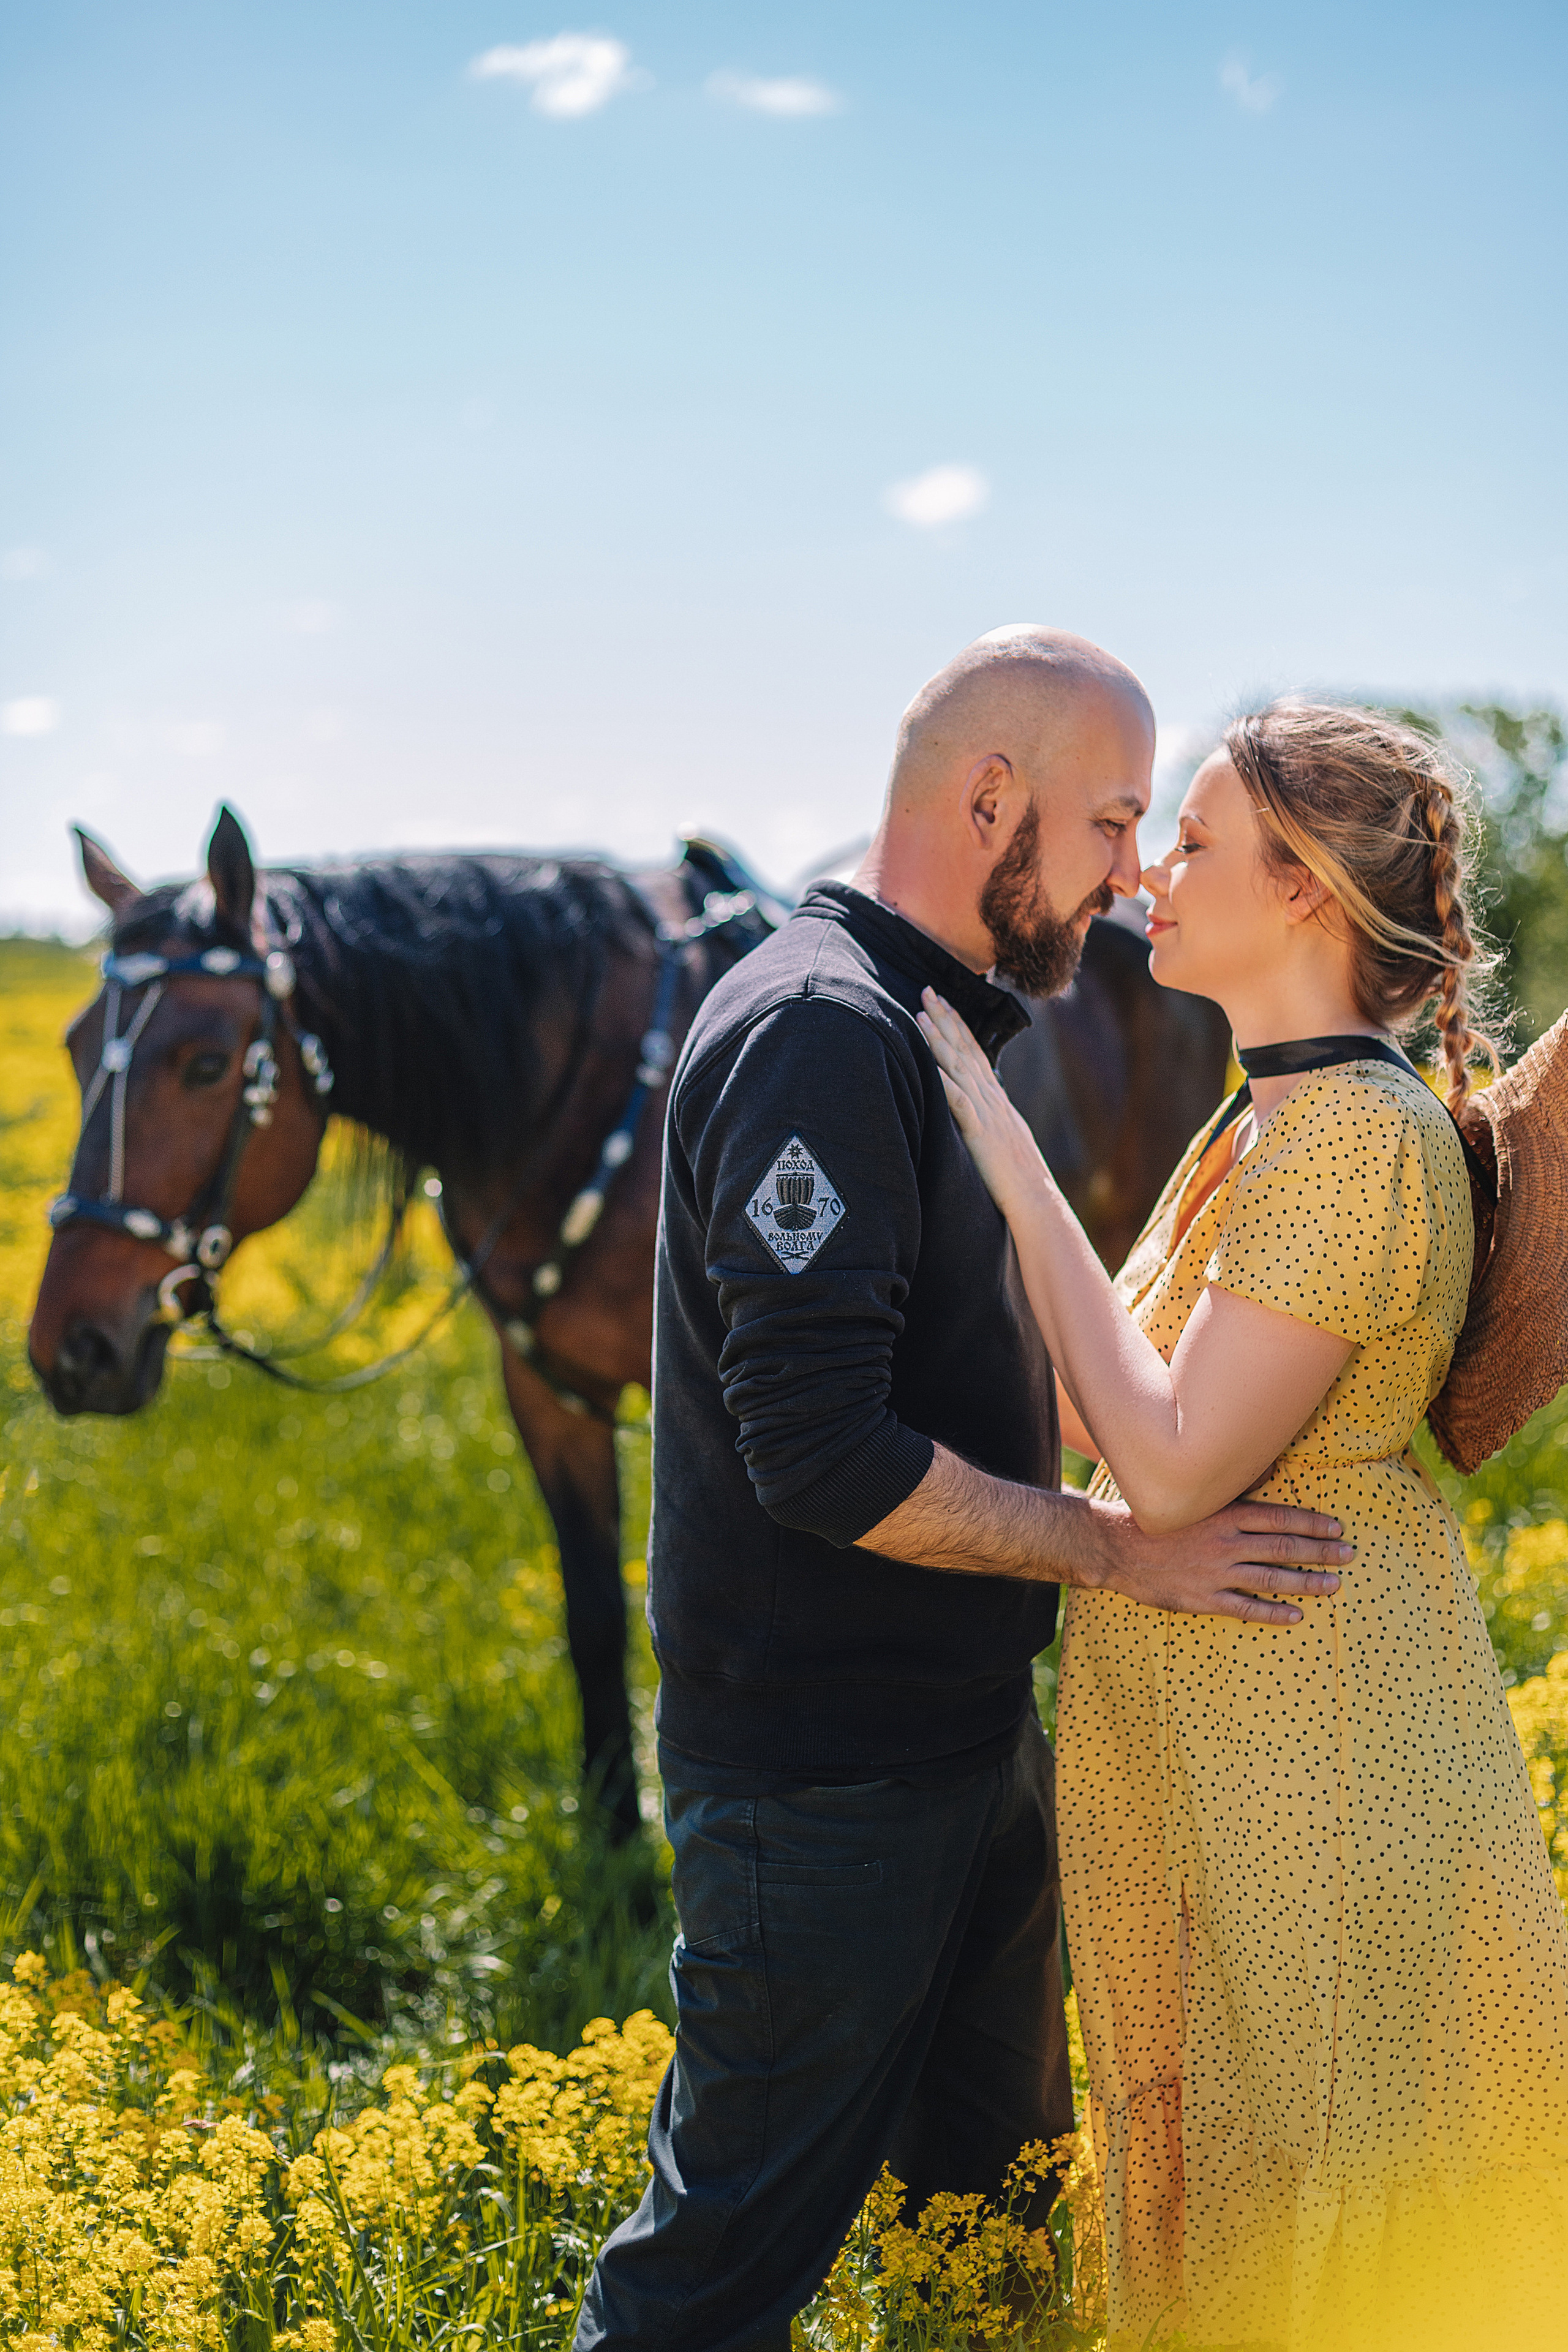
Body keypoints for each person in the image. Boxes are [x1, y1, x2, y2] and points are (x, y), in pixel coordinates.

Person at [575, 630, 1350, 2352]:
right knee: (709, 2287)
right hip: (822, 1786)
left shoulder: (927, 1022)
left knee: (993, 2248)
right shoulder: (819, 1036)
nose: (1136, 872)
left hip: (964, 1743)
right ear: (991, 799)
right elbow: (822, 1453)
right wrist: (1120, 1552)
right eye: (1114, 821)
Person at [921, 698, 1568, 2352]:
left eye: (1197, 840)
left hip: (1324, 1769)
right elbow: (1107, 1397)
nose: (1150, 869)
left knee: (1333, 2245)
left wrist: (1000, 1140)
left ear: (1305, 897)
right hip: (1228, 1759)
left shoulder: (1353, 1147)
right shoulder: (1260, 1120)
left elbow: (1174, 1465)